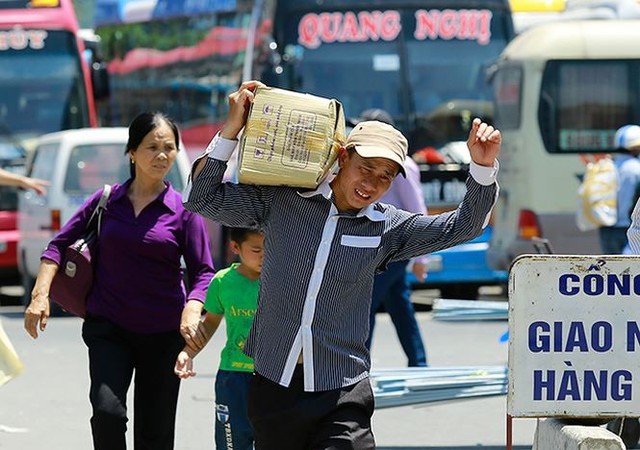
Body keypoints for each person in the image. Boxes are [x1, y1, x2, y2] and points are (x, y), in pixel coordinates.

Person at [183, 80, 501, 449]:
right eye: (366, 168)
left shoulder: (387, 227)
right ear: (342, 156)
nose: (372, 183)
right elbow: (199, 197)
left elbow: (464, 226)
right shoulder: (284, 202)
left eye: (385, 177)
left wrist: (482, 166)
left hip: (342, 391)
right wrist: (231, 130)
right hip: (274, 385)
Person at [23, 112, 215, 450]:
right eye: (152, 147)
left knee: (154, 434)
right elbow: (57, 247)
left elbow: (203, 271)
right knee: (107, 413)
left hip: (162, 334)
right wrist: (40, 296)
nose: (161, 155)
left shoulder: (183, 211)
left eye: (169, 148)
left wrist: (192, 308)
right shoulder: (106, 201)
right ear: (131, 152)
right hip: (109, 329)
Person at [175, 227, 264, 450]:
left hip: (272, 378)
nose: (264, 255)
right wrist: (188, 352)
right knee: (232, 444)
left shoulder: (281, 281)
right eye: (256, 249)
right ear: (235, 247)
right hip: (233, 378)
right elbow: (210, 322)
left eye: (270, 248)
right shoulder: (222, 282)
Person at [353, 109, 429, 367]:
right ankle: (418, 363)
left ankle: (357, 365)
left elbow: (417, 209)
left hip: (394, 246)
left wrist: (422, 258)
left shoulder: (403, 165)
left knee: (364, 303)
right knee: (400, 306)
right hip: (377, 245)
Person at [600, 125, 640, 254]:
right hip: (628, 228)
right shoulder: (636, 168)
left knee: (611, 269)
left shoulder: (609, 165)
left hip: (607, 228)